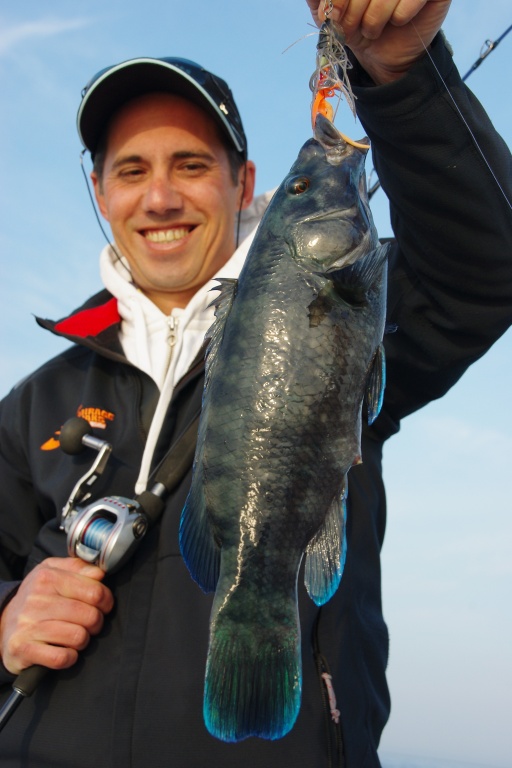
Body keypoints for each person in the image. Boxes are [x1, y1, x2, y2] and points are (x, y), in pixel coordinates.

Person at [0, 1, 510, 765]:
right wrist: (6, 618)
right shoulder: (34, 402)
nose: (162, 197)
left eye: (192, 165)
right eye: (132, 170)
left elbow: (485, 268)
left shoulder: (356, 301)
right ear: (102, 193)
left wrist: (403, 74)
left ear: (245, 185)